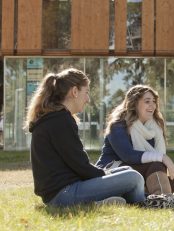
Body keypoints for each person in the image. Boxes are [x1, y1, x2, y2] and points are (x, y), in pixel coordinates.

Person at [26, 68, 145, 207]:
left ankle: (103, 202)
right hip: (64, 194)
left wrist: (106, 175)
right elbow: (81, 166)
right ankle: (139, 205)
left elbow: (77, 165)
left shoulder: (55, 118)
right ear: (74, 91)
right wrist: (105, 176)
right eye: (86, 92)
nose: (88, 99)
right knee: (134, 178)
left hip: (63, 191)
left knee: (126, 171)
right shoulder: (60, 120)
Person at [96, 85, 174, 195]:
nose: (152, 105)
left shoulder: (155, 127)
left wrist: (161, 159)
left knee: (162, 172)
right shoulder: (118, 125)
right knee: (157, 165)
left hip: (135, 171)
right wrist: (162, 157)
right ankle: (162, 199)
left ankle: (157, 196)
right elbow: (128, 155)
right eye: (147, 101)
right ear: (134, 104)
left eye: (154, 101)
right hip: (111, 172)